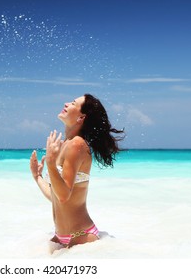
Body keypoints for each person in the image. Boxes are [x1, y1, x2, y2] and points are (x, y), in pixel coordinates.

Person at [29, 94, 124, 248]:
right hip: (61, 237)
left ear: (81, 117)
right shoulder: (65, 144)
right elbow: (56, 196)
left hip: (81, 237)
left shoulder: (77, 145)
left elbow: (64, 195)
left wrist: (52, 164)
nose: (66, 103)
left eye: (73, 103)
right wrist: (37, 177)